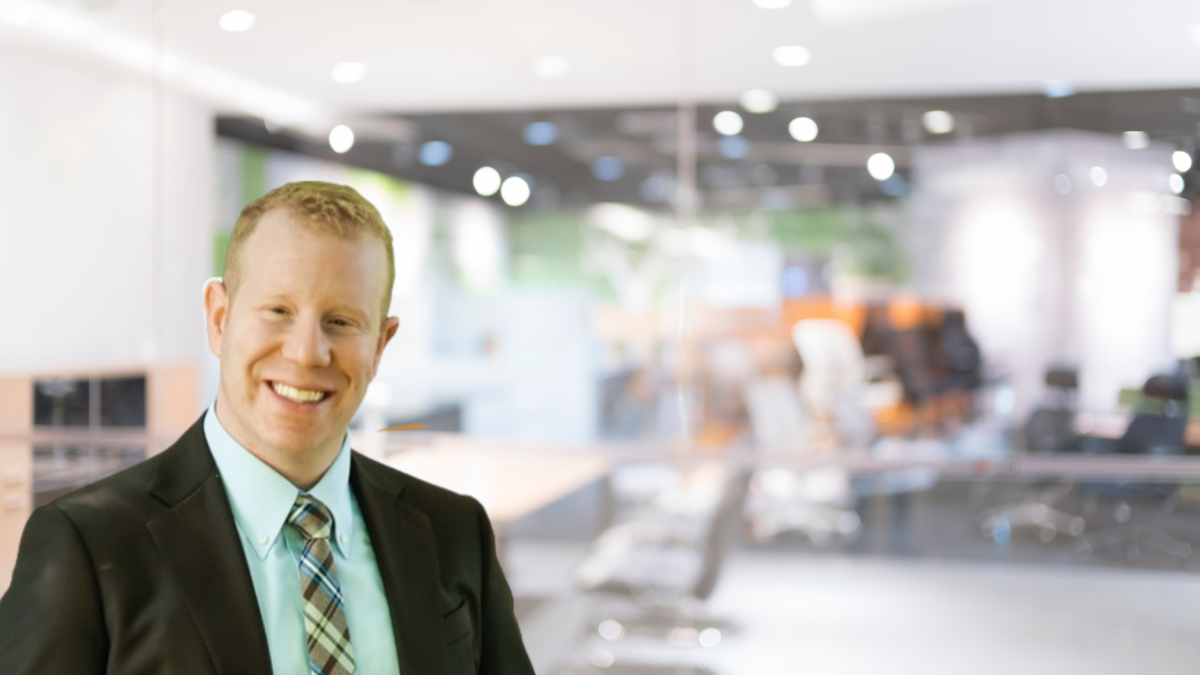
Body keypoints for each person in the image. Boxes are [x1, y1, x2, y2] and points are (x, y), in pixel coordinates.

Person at [0, 181, 535, 674]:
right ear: (219, 317)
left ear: (380, 345)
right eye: (278, 310)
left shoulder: (454, 532)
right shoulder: (89, 547)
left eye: (342, 321)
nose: (306, 353)